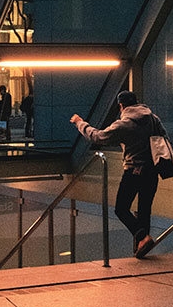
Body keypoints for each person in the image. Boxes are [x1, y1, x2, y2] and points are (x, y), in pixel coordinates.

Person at [70, 90, 167, 258]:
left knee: (121, 209)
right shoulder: (153, 119)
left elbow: (98, 137)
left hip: (134, 171)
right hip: (153, 171)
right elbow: (163, 139)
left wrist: (80, 123)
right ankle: (141, 248)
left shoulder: (124, 124)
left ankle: (143, 237)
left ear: (121, 106)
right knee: (144, 209)